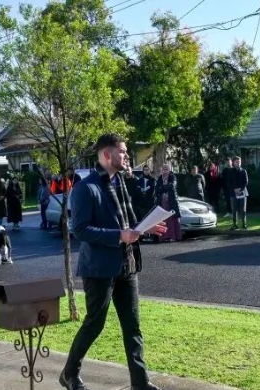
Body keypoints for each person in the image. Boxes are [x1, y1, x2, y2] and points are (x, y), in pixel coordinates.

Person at [60, 133, 166, 390]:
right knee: (95, 323)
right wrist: (119, 235)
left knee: (133, 327)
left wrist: (145, 228)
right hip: (99, 269)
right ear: (107, 155)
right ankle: (69, 373)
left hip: (126, 266)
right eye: (122, 151)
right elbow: (80, 230)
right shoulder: (86, 188)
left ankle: (140, 383)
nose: (127, 156)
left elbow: (127, 222)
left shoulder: (120, 183)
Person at [155, 163, 182, 242]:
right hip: (162, 202)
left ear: (169, 170)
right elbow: (157, 190)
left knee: (173, 219)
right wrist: (163, 188)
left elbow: (172, 186)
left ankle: (174, 237)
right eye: (163, 169)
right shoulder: (160, 178)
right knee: (164, 220)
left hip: (172, 201)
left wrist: (162, 188)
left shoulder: (172, 177)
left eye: (166, 169)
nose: (165, 171)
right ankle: (164, 237)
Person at [230, 156, 249, 230]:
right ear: (233, 163)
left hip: (242, 192)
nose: (238, 163)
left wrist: (240, 189)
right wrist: (234, 189)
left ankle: (244, 224)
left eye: (239, 162)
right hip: (233, 193)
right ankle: (235, 224)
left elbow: (246, 182)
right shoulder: (230, 171)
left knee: (243, 209)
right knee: (234, 210)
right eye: (237, 162)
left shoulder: (243, 171)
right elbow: (228, 182)